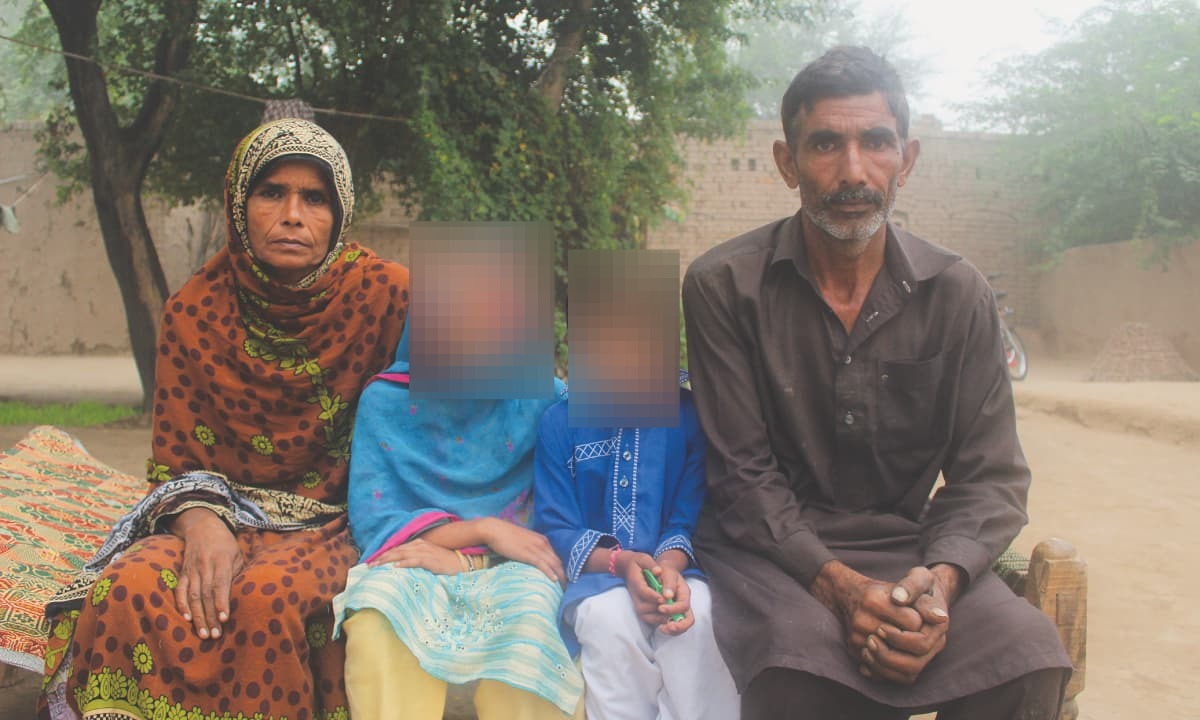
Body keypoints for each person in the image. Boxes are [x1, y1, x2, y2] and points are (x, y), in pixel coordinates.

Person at [680, 46, 1072, 719]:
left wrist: (939, 586)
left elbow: (991, 478)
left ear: (907, 159)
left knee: (1027, 656)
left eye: (876, 143)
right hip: (774, 552)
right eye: (826, 144)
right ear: (787, 162)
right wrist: (838, 587)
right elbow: (743, 478)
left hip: (909, 548)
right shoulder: (724, 286)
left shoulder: (958, 292)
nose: (853, 171)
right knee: (797, 668)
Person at [40, 118, 410, 720]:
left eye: (314, 198)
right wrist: (201, 524)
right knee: (127, 585)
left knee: (268, 599)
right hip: (220, 510)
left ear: (340, 214)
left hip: (351, 517)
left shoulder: (391, 295)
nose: (292, 215)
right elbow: (175, 462)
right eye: (271, 193)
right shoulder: (194, 309)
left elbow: (471, 409)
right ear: (239, 202)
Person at [332, 320, 583, 720]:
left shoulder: (542, 399)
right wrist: (484, 530)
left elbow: (566, 512)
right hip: (417, 553)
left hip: (515, 564)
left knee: (533, 621)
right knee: (378, 617)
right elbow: (377, 520)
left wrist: (475, 560)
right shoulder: (386, 402)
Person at [533, 368, 741, 720]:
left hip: (679, 570)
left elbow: (689, 514)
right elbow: (557, 524)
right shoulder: (559, 422)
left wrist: (670, 569)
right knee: (607, 619)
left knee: (702, 617)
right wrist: (621, 563)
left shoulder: (689, 416)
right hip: (597, 576)